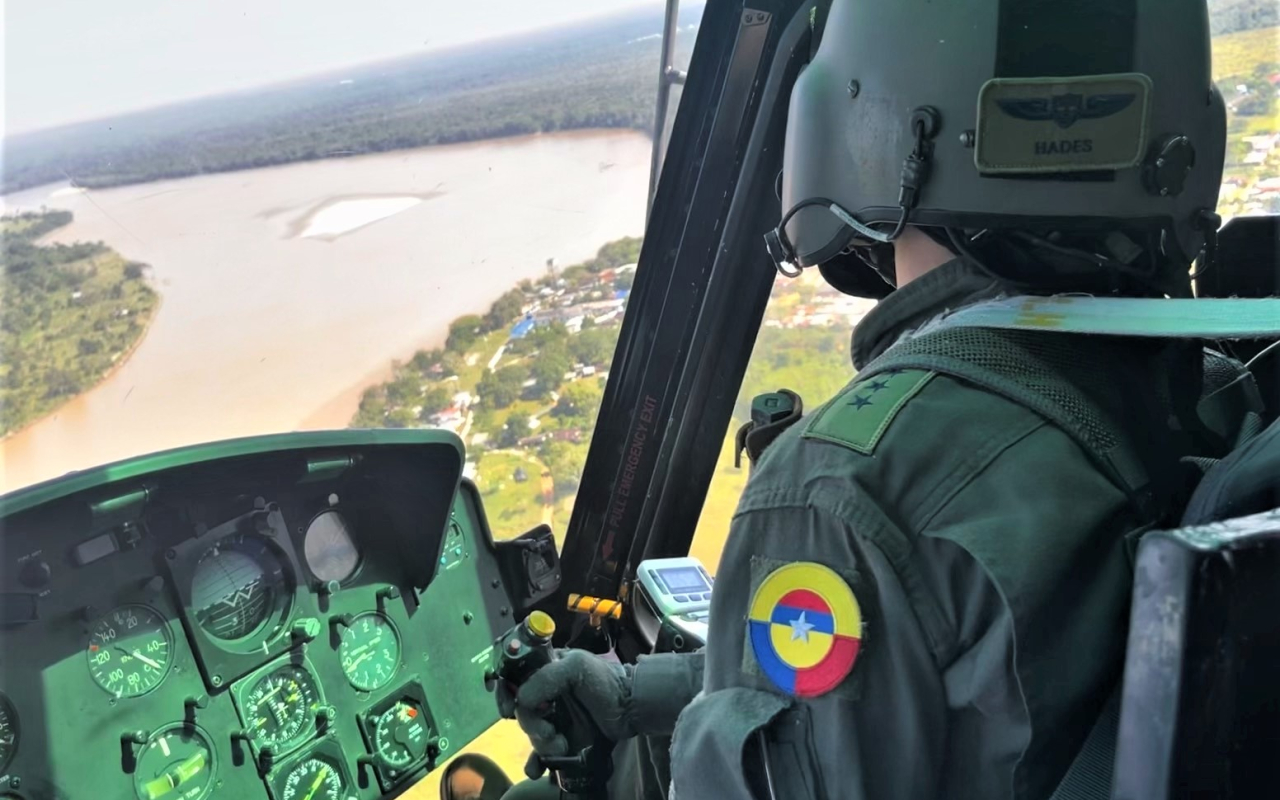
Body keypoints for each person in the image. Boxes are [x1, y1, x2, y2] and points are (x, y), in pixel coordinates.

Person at [499, 0, 1245, 797]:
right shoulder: (1222, 392)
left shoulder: (843, 494)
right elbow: (919, 687)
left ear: (863, 127)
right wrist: (633, 696)